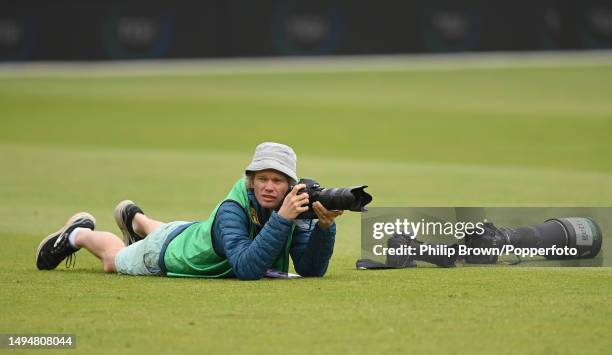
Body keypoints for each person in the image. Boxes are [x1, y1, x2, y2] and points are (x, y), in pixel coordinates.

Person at [35, 142, 343, 280]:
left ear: (290, 184)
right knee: (112, 260)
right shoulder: (232, 210)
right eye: (262, 179)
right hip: (167, 253)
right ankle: (79, 233)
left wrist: (324, 229)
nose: (269, 187)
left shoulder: (289, 207)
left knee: (179, 231)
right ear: (250, 180)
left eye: (277, 181)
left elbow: (310, 270)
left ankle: (134, 219)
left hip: (193, 232)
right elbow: (247, 269)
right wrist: (283, 219)